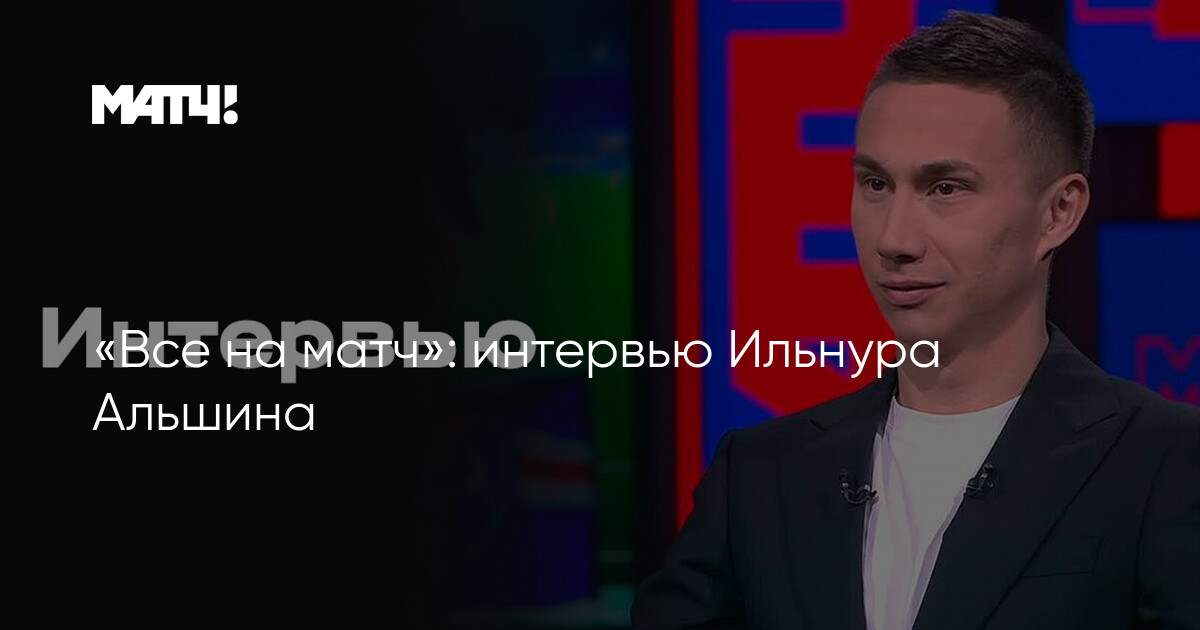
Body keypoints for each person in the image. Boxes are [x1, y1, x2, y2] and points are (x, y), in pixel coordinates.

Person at [631, 11, 1199, 630]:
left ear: (1058, 212)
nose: (893, 239)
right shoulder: (758, 476)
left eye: (945, 188)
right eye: (876, 184)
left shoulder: (1163, 463)